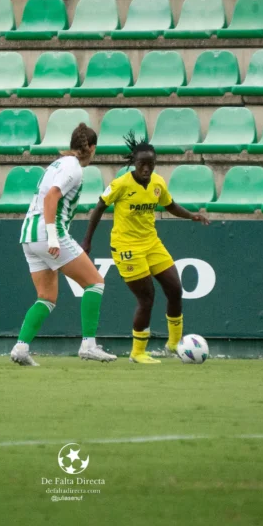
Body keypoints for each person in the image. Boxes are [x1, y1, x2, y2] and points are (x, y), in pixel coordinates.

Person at [82, 133, 210, 364]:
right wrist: (87, 241)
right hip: (126, 247)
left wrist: (191, 216)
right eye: (142, 163)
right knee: (147, 298)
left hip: (151, 243)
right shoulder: (121, 184)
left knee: (175, 289)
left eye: (151, 164)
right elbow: (99, 207)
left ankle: (174, 344)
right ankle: (137, 352)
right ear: (134, 162)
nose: (147, 168)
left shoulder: (158, 183)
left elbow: (170, 205)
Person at [11, 124, 116, 367]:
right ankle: (88, 345)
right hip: (47, 233)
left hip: (28, 234)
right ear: (92, 148)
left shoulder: (57, 164)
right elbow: (52, 197)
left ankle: (21, 348)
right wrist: (52, 237)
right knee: (95, 283)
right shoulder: (73, 167)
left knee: (46, 297)